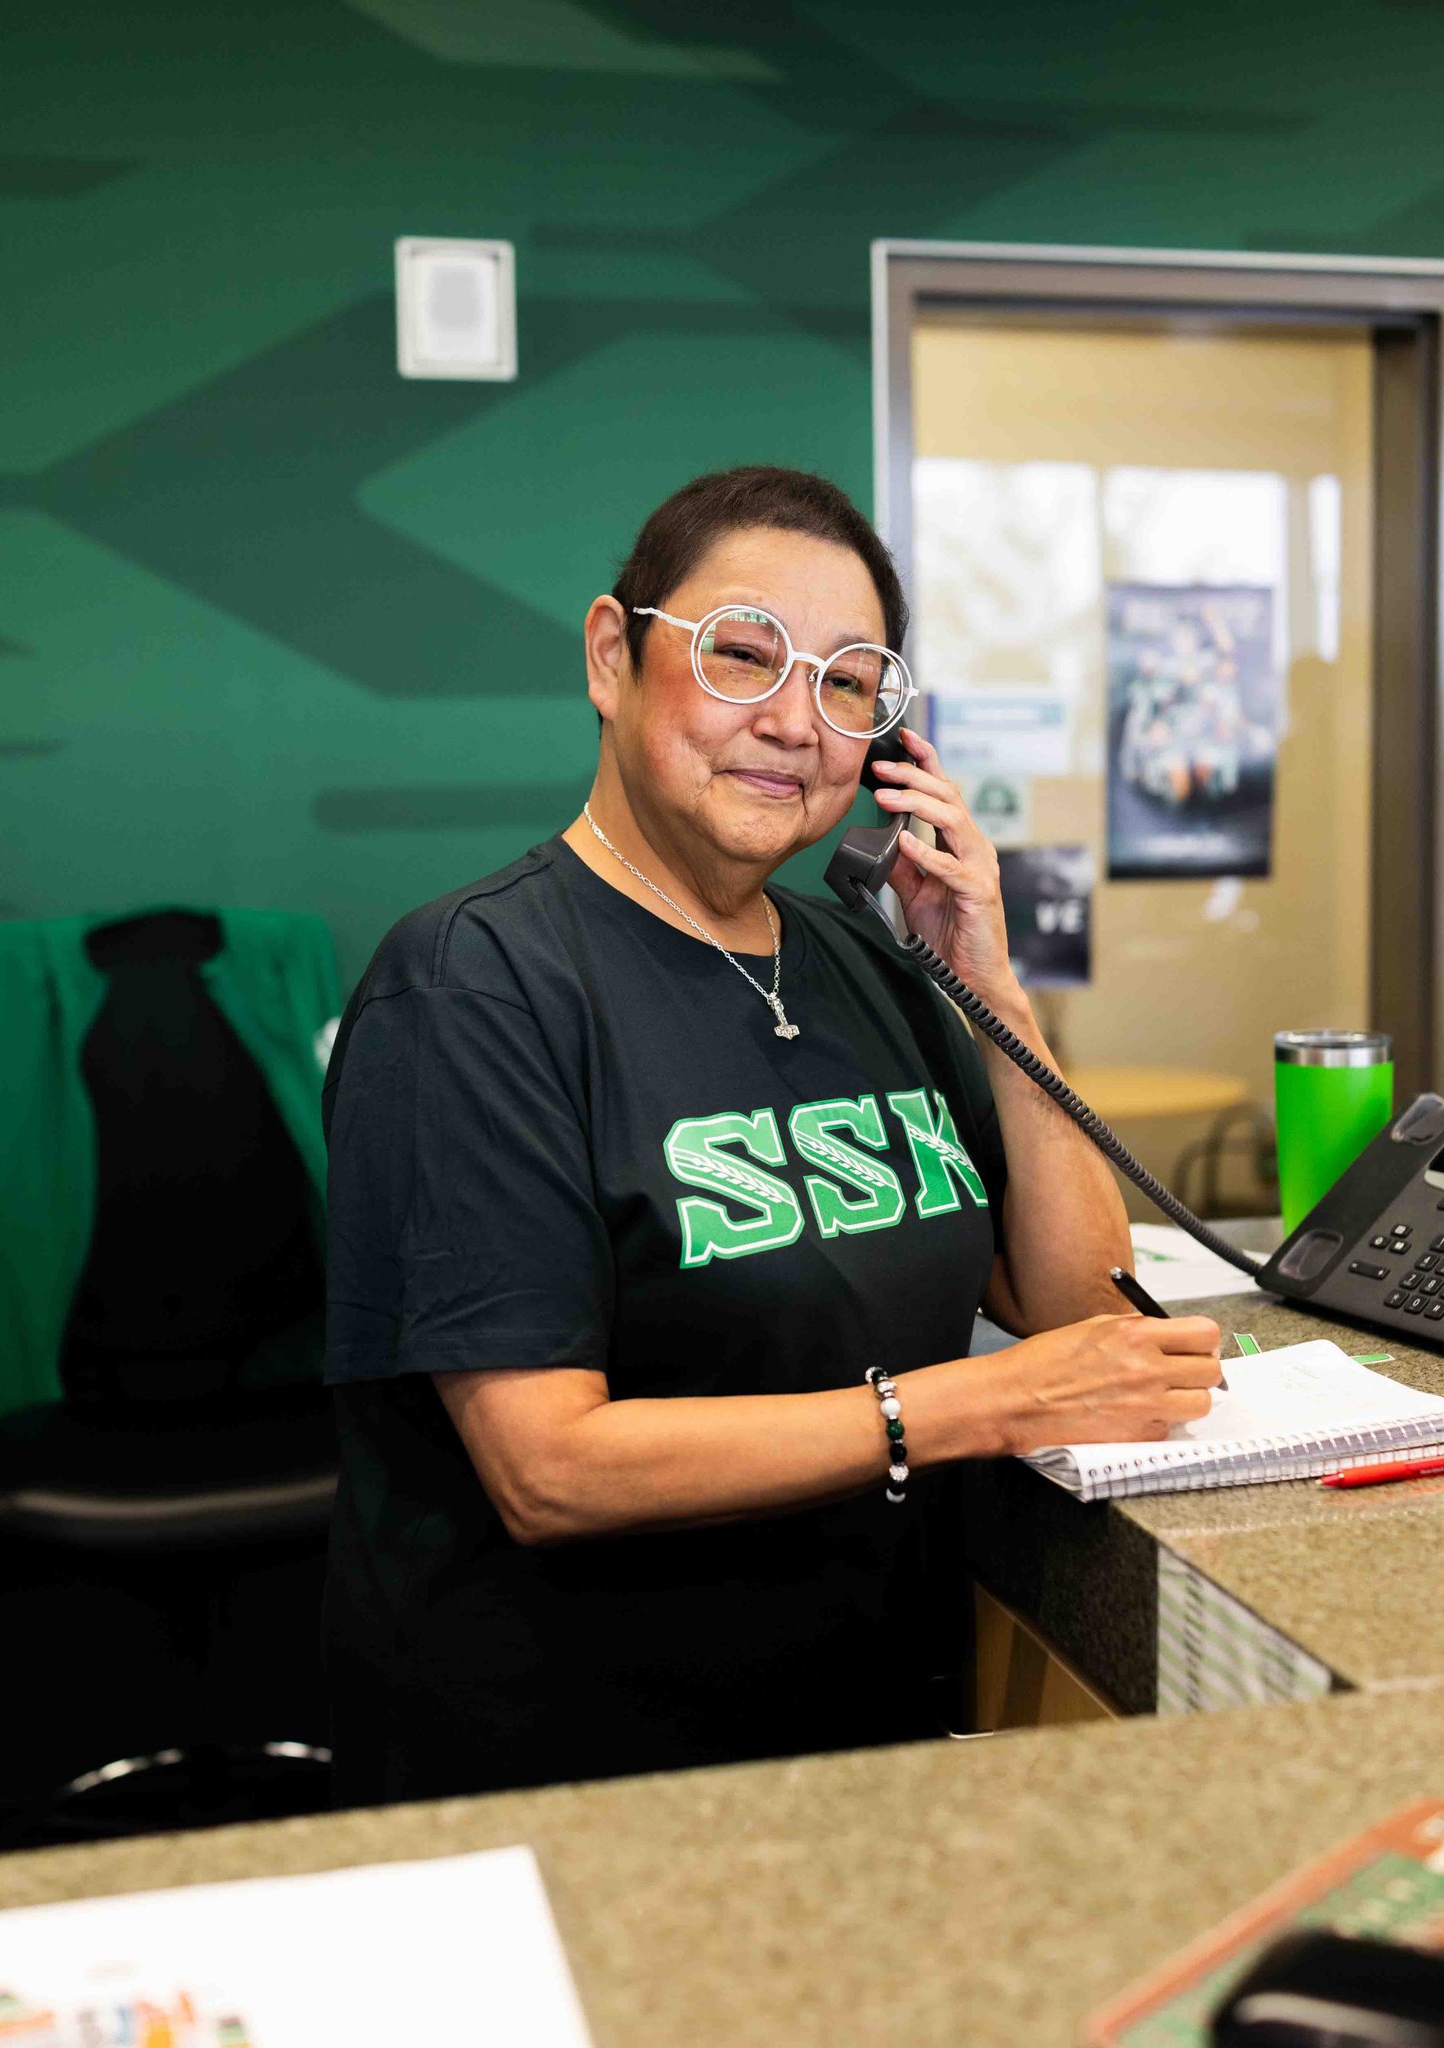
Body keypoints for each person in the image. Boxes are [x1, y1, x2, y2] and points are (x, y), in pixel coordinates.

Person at [321, 466, 1221, 1808]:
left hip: (873, 1717)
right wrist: (973, 1404)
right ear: (612, 659)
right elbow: (548, 1467)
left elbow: (1076, 1306)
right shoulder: (473, 985)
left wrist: (990, 981)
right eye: (742, 656)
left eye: (850, 684)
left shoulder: (865, 962)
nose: (797, 723)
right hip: (586, 1766)